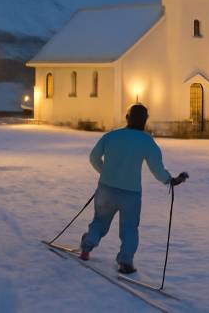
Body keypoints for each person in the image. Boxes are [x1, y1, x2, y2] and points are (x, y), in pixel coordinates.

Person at [79, 103, 188, 274]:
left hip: (106, 188)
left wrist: (106, 172)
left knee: (100, 221)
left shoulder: (112, 136)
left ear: (127, 118)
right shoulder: (147, 141)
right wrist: (170, 180)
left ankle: (86, 247)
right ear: (145, 121)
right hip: (131, 194)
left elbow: (94, 157)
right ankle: (126, 262)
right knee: (129, 228)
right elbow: (157, 168)